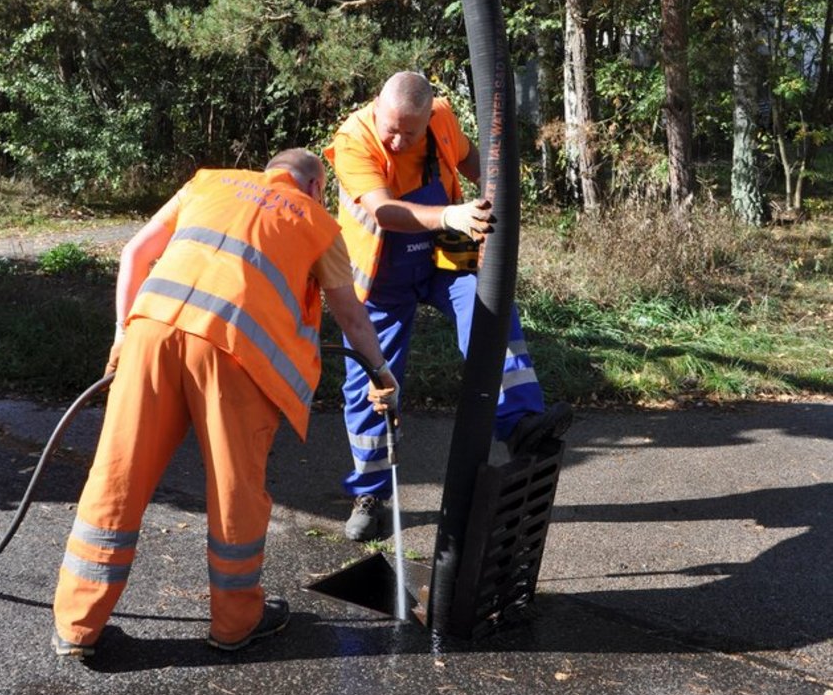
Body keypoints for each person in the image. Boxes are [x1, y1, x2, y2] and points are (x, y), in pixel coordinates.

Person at [51, 148, 396, 658]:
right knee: (235, 491)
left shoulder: (208, 181)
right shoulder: (318, 223)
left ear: (268, 171)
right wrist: (383, 373)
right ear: (316, 186)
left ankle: (77, 627)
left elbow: (135, 254)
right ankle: (235, 625)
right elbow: (351, 315)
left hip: (152, 333)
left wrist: (123, 334)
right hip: (236, 356)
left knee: (117, 474)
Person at [325, 71, 572, 541]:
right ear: (377, 108)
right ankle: (371, 495)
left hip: (442, 256)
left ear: (428, 117)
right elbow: (382, 211)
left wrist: (498, 187)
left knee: (491, 313)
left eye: (410, 132)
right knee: (372, 383)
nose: (398, 140)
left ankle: (520, 423)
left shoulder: (441, 119)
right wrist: (450, 215)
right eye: (391, 128)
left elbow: (476, 163)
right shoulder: (354, 139)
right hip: (382, 274)